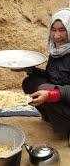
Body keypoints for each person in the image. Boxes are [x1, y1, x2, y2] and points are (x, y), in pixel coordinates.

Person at [18, 8, 70, 144]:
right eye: (54, 30)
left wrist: (51, 94)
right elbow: (51, 76)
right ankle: (52, 117)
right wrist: (29, 69)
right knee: (30, 82)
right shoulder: (57, 51)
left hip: (66, 96)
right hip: (64, 97)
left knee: (45, 88)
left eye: (62, 30)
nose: (57, 35)